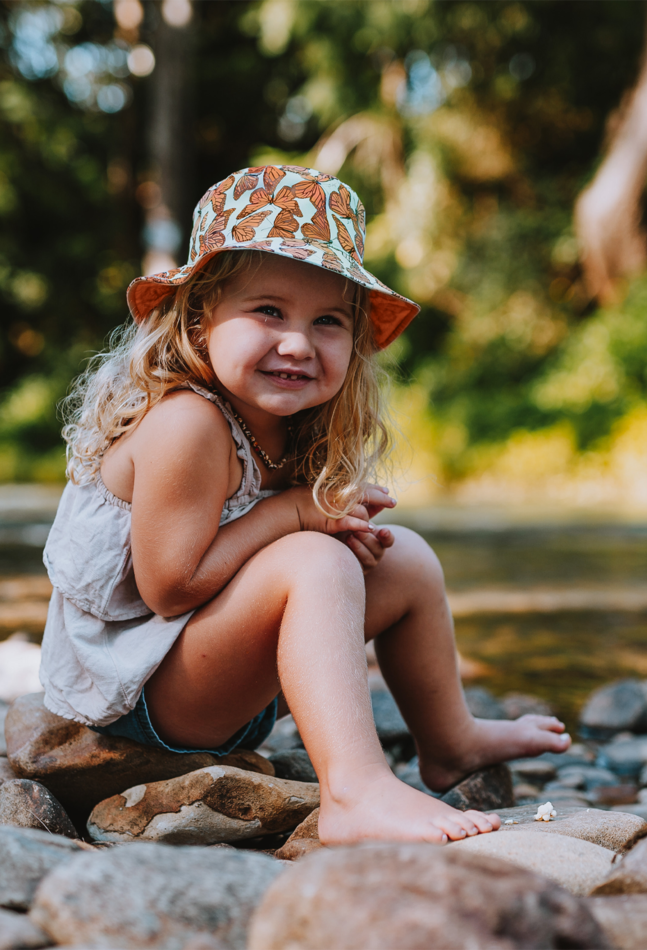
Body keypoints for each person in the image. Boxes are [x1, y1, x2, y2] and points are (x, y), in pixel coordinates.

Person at [40, 165, 571, 845]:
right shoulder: (187, 424)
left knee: (404, 557)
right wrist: (293, 515)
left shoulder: (289, 427)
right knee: (314, 561)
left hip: (215, 679)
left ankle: (451, 740)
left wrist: (329, 521)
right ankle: (354, 791)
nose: (297, 342)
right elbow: (169, 589)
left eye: (327, 321)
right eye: (268, 310)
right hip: (140, 698)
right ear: (201, 319)